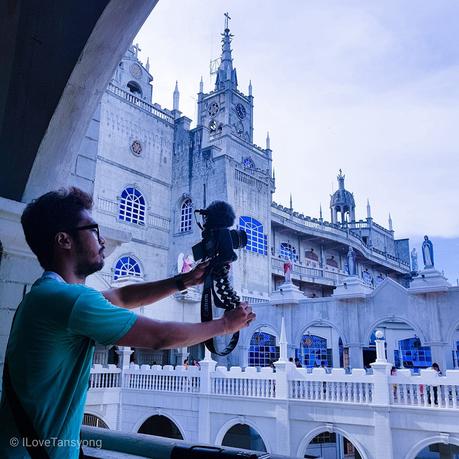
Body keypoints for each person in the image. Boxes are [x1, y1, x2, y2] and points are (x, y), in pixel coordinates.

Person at [0, 187, 256, 458]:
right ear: (64, 240)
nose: (101, 240)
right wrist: (225, 325)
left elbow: (121, 295)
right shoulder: (68, 300)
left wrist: (184, 280)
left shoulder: (47, 294)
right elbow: (160, 337)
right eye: (93, 230)